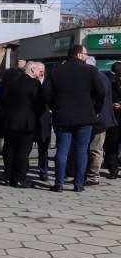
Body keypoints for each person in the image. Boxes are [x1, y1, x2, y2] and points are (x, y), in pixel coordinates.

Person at [43, 44, 106, 192]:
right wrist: (96, 109)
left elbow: (46, 93)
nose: (86, 56)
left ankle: (59, 184)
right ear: (78, 55)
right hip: (85, 116)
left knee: (62, 150)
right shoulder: (90, 70)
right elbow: (101, 92)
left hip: (62, 116)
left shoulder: (56, 71)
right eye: (85, 53)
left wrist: (54, 106)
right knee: (81, 150)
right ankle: (78, 184)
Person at [0, 66, 44, 188]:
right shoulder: (34, 84)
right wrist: (35, 115)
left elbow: (4, 100)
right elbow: (40, 104)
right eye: (39, 71)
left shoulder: (12, 83)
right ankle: (20, 178)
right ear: (32, 70)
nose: (41, 73)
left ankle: (8, 177)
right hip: (27, 122)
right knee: (23, 150)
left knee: (10, 148)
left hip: (10, 120)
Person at [85, 67, 117, 186]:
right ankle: (90, 174)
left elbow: (100, 96)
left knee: (95, 148)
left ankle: (93, 176)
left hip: (98, 118)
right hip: (99, 118)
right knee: (94, 148)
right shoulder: (101, 77)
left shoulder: (97, 78)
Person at [26, 62, 52, 181]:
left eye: (43, 71)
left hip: (44, 119)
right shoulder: (29, 83)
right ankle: (24, 168)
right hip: (31, 118)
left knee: (43, 146)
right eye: (39, 70)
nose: (41, 73)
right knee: (27, 145)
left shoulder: (47, 82)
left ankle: (43, 170)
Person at [105, 63, 121, 180]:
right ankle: (113, 169)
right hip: (114, 120)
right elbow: (105, 101)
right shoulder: (110, 86)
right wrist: (112, 105)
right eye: (118, 78)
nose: (119, 80)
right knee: (112, 145)